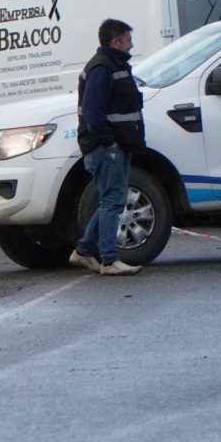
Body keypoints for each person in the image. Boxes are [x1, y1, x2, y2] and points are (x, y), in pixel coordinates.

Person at [69, 19, 146, 276]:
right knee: (112, 201)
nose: (131, 44)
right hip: (107, 147)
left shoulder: (112, 64)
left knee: (111, 200)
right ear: (115, 42)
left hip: (115, 145)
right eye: (127, 39)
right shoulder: (102, 68)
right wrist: (108, 141)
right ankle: (109, 260)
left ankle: (83, 252)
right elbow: (92, 111)